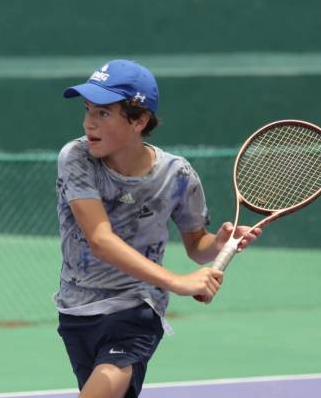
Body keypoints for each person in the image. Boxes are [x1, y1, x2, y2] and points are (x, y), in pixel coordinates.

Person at [55, 59, 261, 398]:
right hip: (76, 310)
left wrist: (220, 243)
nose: (89, 123)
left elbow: (197, 244)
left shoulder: (177, 175)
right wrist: (177, 281)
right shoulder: (76, 158)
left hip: (137, 309)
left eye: (103, 114)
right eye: (88, 110)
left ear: (139, 120)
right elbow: (100, 240)